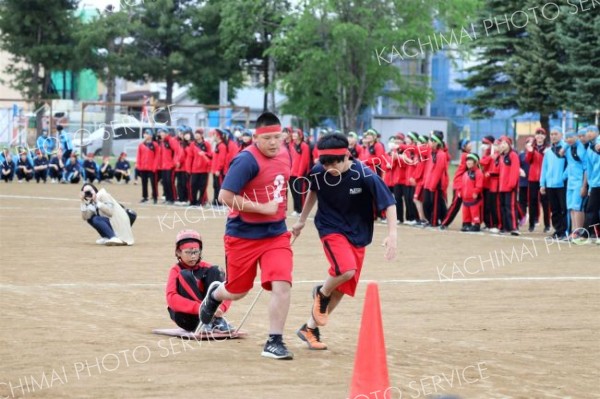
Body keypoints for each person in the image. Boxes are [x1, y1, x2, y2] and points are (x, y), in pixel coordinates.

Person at [198, 112, 295, 360]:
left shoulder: (286, 154)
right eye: (268, 138)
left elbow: (281, 185)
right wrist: (262, 208)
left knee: (282, 283)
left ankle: (274, 341)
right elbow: (225, 196)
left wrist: (295, 219)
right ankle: (215, 294)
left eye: (278, 137)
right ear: (255, 137)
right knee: (238, 291)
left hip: (276, 234)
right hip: (243, 236)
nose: (274, 143)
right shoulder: (246, 160)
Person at [291, 133, 397, 351]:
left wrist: (392, 234)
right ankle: (321, 293)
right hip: (330, 228)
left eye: (333, 163)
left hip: (358, 234)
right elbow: (313, 192)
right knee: (345, 270)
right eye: (325, 163)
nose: (329, 168)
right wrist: (301, 221)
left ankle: (309, 328)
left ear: (346, 156)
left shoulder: (365, 175)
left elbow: (389, 203)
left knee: (341, 288)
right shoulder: (319, 171)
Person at [166, 230, 233, 332]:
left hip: (212, 314)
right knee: (184, 274)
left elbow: (228, 289)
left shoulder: (207, 268)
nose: (193, 256)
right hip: (186, 318)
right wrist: (202, 308)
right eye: (188, 252)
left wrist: (221, 308)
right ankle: (207, 320)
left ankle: (214, 321)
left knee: (217, 270)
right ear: (178, 252)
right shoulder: (176, 270)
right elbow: (171, 298)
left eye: (196, 252)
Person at [540, 127, 568, 239]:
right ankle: (558, 231)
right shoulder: (548, 151)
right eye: (551, 134)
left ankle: (565, 231)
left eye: (556, 134)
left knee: (563, 208)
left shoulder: (565, 149)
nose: (553, 136)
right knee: (554, 209)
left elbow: (570, 165)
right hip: (550, 185)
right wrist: (542, 184)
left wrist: (563, 177)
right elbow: (544, 168)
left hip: (562, 184)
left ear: (561, 135)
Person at [441, 138, 471, 229]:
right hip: (459, 184)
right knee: (455, 205)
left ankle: (467, 224)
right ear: (464, 146)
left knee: (465, 204)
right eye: (468, 143)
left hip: (463, 184)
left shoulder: (466, 155)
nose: (471, 145)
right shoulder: (466, 155)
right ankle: (444, 223)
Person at [577, 125, 600, 245]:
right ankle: (587, 235)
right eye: (588, 132)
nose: (589, 133)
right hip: (596, 184)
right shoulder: (589, 149)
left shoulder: (598, 142)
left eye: (591, 131)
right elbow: (589, 169)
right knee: (591, 209)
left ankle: (589, 235)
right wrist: (589, 186)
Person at [525, 128, 551, 233]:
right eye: (538, 134)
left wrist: (545, 153)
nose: (539, 136)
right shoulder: (531, 148)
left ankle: (547, 225)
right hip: (532, 178)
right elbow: (528, 160)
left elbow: (549, 162)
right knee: (532, 202)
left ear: (545, 136)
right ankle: (531, 224)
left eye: (542, 134)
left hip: (544, 179)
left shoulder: (548, 148)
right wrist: (530, 152)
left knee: (545, 202)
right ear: (535, 136)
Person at [562, 129, 587, 239]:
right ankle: (574, 231)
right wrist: (563, 177)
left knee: (578, 208)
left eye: (571, 137)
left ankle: (579, 231)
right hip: (570, 183)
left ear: (576, 137)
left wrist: (584, 186)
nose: (568, 139)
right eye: (567, 137)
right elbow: (570, 165)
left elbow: (586, 168)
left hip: (578, 182)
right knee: (571, 207)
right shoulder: (568, 148)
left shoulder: (581, 148)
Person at [423, 130, 449, 227]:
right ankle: (435, 219)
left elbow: (438, 171)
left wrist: (432, 185)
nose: (428, 143)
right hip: (428, 182)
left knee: (434, 204)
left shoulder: (441, 154)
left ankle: (433, 222)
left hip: (435, 184)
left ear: (435, 142)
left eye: (430, 140)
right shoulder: (431, 152)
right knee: (426, 203)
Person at [498, 136, 521, 235]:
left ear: (509, 145)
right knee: (503, 207)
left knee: (510, 207)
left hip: (510, 187)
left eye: (505, 143)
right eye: (501, 143)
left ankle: (514, 227)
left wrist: (511, 184)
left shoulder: (513, 155)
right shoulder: (502, 156)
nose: (502, 145)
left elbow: (514, 170)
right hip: (502, 187)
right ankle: (505, 227)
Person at [187, 128, 213, 207]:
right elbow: (190, 157)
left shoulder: (207, 144)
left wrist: (204, 153)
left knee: (202, 186)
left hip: (204, 169)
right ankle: (193, 201)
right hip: (195, 169)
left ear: (202, 135)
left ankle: (201, 201)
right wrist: (189, 168)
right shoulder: (192, 144)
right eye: (196, 133)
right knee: (193, 185)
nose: (196, 135)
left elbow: (210, 155)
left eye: (198, 133)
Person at [289, 128, 311, 216]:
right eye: (293, 134)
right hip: (292, 173)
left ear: (300, 135)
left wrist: (300, 173)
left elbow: (304, 161)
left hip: (301, 174)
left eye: (295, 134)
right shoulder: (292, 145)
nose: (294, 135)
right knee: (294, 193)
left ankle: (302, 210)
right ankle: (296, 209)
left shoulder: (304, 146)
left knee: (301, 193)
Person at [460, 153, 484, 232]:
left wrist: (475, 192)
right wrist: (460, 192)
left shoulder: (478, 173)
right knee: (466, 212)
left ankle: (476, 224)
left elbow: (479, 185)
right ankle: (467, 224)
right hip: (465, 199)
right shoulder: (465, 173)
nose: (468, 162)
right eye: (467, 161)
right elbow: (462, 185)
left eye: (470, 160)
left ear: (475, 162)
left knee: (474, 212)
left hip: (474, 199)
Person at [136, 129, 159, 204]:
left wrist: (154, 167)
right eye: (144, 134)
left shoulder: (154, 145)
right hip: (143, 167)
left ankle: (155, 197)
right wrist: (138, 165)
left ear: (151, 136)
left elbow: (157, 157)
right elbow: (138, 156)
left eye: (147, 134)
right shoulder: (141, 145)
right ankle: (145, 197)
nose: (145, 135)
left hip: (151, 168)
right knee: (144, 183)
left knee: (153, 183)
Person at [210, 129, 227, 207]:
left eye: (214, 135)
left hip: (218, 171)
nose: (213, 137)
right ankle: (215, 201)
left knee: (219, 186)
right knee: (215, 186)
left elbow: (221, 159)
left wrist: (218, 169)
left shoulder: (222, 146)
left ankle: (219, 203)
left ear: (218, 136)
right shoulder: (217, 145)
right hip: (214, 170)